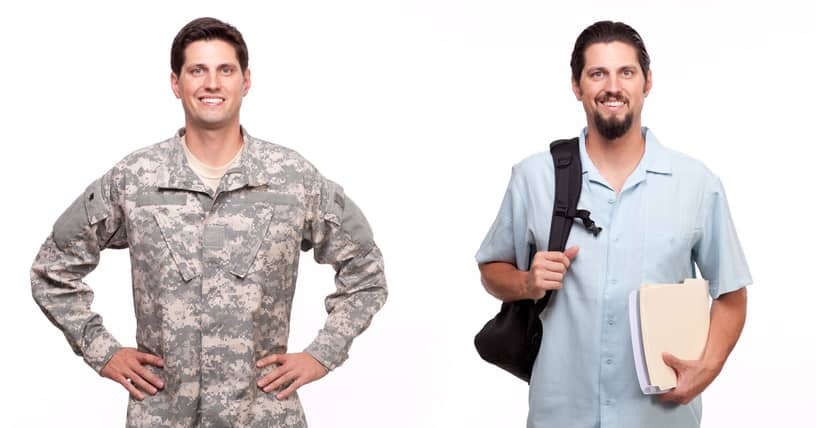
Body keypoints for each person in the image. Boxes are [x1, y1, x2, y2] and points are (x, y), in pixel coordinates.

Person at [30, 17, 387, 427]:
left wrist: (324, 352)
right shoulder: (135, 178)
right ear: (175, 83)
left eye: (225, 70)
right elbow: (52, 269)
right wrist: (102, 350)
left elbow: (366, 271)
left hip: (262, 416)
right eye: (197, 70)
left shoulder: (293, 179)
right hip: (164, 415)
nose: (211, 83)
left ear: (246, 81)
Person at [476, 21, 750, 428]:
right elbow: (491, 268)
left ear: (647, 82)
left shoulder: (697, 184)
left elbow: (730, 291)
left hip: (661, 416)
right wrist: (526, 284)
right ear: (577, 85)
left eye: (626, 72)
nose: (613, 87)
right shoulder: (533, 177)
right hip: (560, 415)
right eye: (597, 73)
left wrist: (708, 367)